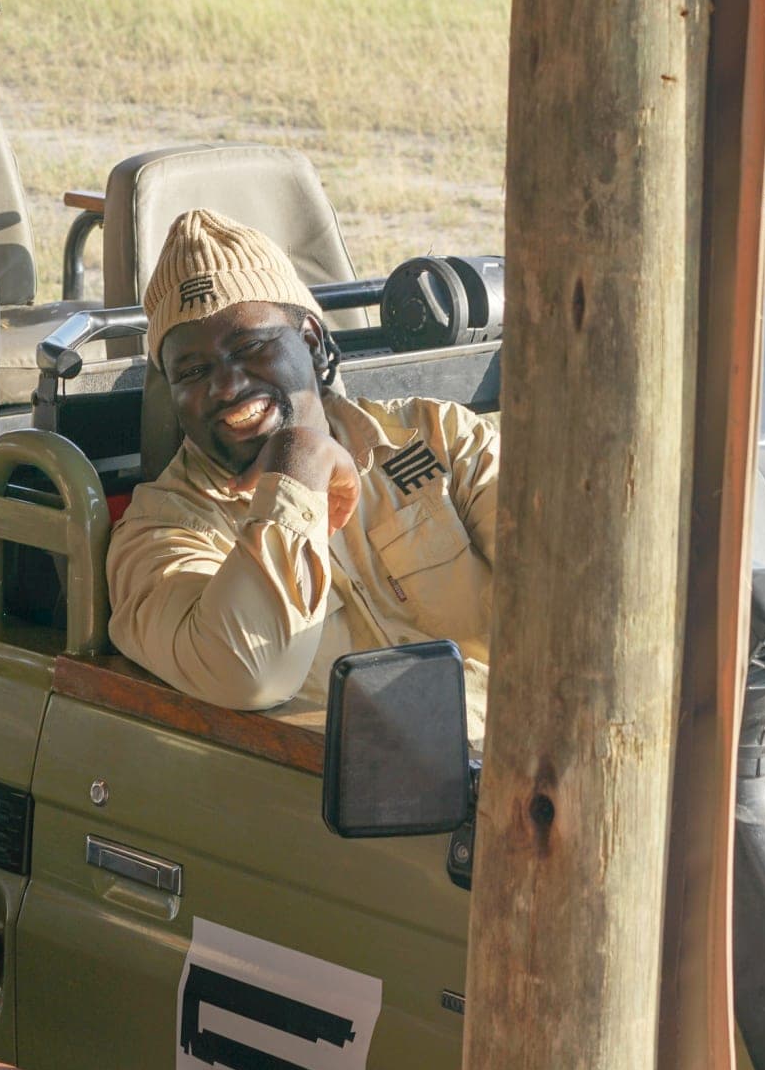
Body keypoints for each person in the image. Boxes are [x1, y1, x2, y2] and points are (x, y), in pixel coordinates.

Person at [107, 208, 498, 735]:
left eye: (249, 348)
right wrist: (298, 469)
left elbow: (568, 584)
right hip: (336, 804)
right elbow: (249, 671)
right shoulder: (160, 533)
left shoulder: (439, 437)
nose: (224, 387)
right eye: (193, 372)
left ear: (311, 341)